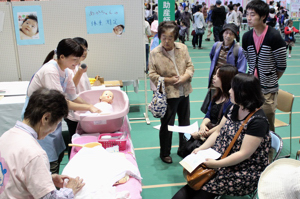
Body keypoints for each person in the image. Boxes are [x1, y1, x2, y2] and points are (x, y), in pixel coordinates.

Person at [172, 73, 271, 199]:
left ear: (243, 93)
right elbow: (218, 131)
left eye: (233, 88)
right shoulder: (233, 107)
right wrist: (201, 149)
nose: (229, 91)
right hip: (220, 158)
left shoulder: (258, 121)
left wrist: (216, 164)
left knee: (200, 190)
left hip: (242, 170)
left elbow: (243, 154)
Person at [22, 38, 101, 174]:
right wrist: (88, 108)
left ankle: (54, 186)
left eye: (78, 60)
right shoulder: (50, 71)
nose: (77, 63)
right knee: (45, 157)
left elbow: (73, 95)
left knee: (57, 153)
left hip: (52, 116)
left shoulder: (67, 71)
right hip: (38, 118)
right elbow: (62, 102)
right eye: (74, 60)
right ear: (62, 57)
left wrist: (92, 105)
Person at [0, 88, 85, 198]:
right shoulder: (35, 154)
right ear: (46, 118)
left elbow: (16, 174)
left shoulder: (5, 136)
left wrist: (47, 179)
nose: (54, 130)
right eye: (57, 124)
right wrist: (70, 190)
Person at [149, 21, 194, 164]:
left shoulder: (183, 48)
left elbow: (190, 66)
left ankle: (184, 148)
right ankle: (165, 153)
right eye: (164, 37)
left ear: (175, 36)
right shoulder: (155, 53)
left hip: (184, 91)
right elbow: (152, 75)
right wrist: (168, 80)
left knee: (185, 123)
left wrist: (185, 77)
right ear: (159, 36)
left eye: (170, 37)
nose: (167, 41)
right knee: (167, 125)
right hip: (168, 94)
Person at [242, 0, 286, 132]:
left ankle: (270, 151)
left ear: (263, 17)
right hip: (251, 87)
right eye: (247, 14)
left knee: (267, 123)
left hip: (268, 90)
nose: (248, 18)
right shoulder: (246, 37)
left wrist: (270, 79)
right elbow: (248, 59)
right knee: (250, 121)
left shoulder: (274, 36)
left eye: (252, 15)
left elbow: (281, 66)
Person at [181, 65, 238, 158]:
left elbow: (222, 126)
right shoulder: (216, 96)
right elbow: (208, 115)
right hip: (209, 131)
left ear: (226, 79)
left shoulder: (231, 103)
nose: (214, 76)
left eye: (218, 75)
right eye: (215, 74)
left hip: (220, 135)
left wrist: (202, 134)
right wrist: (203, 126)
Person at [64, 37, 92, 158]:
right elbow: (71, 88)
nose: (84, 52)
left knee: (84, 141)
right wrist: (80, 72)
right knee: (75, 142)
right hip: (73, 113)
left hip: (82, 109)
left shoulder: (80, 66)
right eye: (81, 49)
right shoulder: (70, 68)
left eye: (86, 49)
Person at [208, 23, 247, 92]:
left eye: (231, 34)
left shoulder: (239, 51)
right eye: (226, 33)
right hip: (214, 85)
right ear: (223, 33)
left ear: (235, 36)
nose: (228, 36)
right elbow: (212, 58)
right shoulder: (216, 46)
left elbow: (241, 71)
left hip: (228, 88)